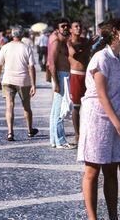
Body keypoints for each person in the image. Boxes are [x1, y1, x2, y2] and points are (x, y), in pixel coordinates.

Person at [77, 19, 120, 219]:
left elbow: (114, 91)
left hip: (113, 118)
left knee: (111, 170)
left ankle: (113, 216)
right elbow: (101, 95)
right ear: (116, 32)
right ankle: (93, 218)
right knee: (92, 170)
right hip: (97, 119)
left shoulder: (118, 58)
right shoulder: (101, 58)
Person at [0, 26, 38, 141]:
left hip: (8, 80)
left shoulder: (5, 47)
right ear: (22, 35)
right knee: (26, 107)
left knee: (9, 106)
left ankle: (10, 132)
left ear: (12, 35)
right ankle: (29, 130)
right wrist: (33, 84)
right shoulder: (26, 48)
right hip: (23, 81)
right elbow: (31, 67)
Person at [67, 21, 95, 145]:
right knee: (76, 106)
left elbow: (91, 53)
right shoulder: (69, 42)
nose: (79, 28)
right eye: (76, 27)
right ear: (71, 30)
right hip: (76, 75)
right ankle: (77, 134)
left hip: (87, 75)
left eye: (80, 26)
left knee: (89, 104)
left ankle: (87, 131)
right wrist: (89, 44)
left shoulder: (85, 41)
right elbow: (76, 56)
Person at [48, 18, 74, 149]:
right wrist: (57, 83)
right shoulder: (56, 42)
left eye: (67, 26)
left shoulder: (62, 41)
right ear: (57, 29)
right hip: (60, 76)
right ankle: (61, 141)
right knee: (60, 111)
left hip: (62, 75)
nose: (65, 28)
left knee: (55, 111)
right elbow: (51, 64)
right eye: (62, 26)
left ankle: (54, 140)